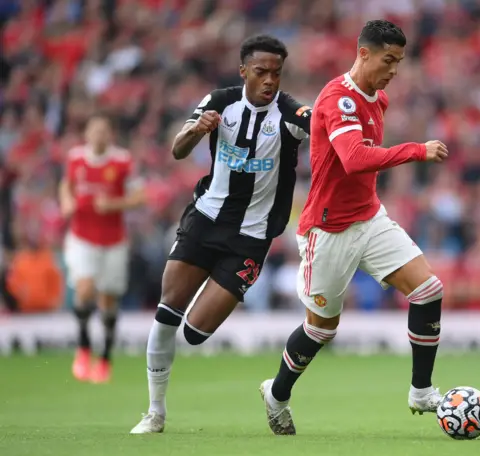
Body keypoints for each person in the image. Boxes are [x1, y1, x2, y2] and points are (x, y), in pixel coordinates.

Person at [259, 20, 449, 435]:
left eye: (399, 61)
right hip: (328, 230)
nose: (395, 69)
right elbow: (354, 159)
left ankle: (421, 390)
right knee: (320, 329)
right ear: (363, 53)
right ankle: (276, 394)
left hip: (369, 217)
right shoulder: (338, 98)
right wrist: (417, 149)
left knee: (429, 290)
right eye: (388, 60)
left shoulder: (377, 99)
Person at [130, 35, 312, 434]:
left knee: (195, 333)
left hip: (251, 237)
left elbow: (330, 138)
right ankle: (155, 412)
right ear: (243, 70)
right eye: (261, 72)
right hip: (206, 219)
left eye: (276, 73)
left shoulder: (292, 114)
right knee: (167, 310)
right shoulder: (220, 102)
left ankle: (259, 386)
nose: (269, 80)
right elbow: (178, 150)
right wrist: (197, 130)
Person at [60, 113, 146, 383]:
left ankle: (105, 356)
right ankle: (84, 346)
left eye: (103, 130)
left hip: (113, 240)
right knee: (85, 289)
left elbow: (140, 196)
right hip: (82, 236)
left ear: (110, 135)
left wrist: (114, 205)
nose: (98, 135)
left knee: (108, 299)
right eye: (94, 130)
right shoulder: (76, 158)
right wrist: (66, 201)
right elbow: (67, 184)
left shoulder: (122, 161)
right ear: (86, 134)